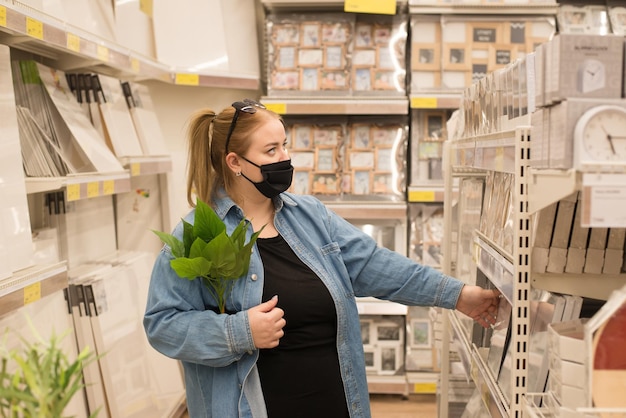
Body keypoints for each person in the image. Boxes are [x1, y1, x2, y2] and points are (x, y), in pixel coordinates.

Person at [143, 99, 500, 418]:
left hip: (336, 402)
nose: (284, 157)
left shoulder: (310, 217)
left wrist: (457, 295)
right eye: (270, 150)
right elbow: (163, 325)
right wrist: (240, 332)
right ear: (235, 162)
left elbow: (377, 265)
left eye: (285, 145)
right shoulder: (197, 236)